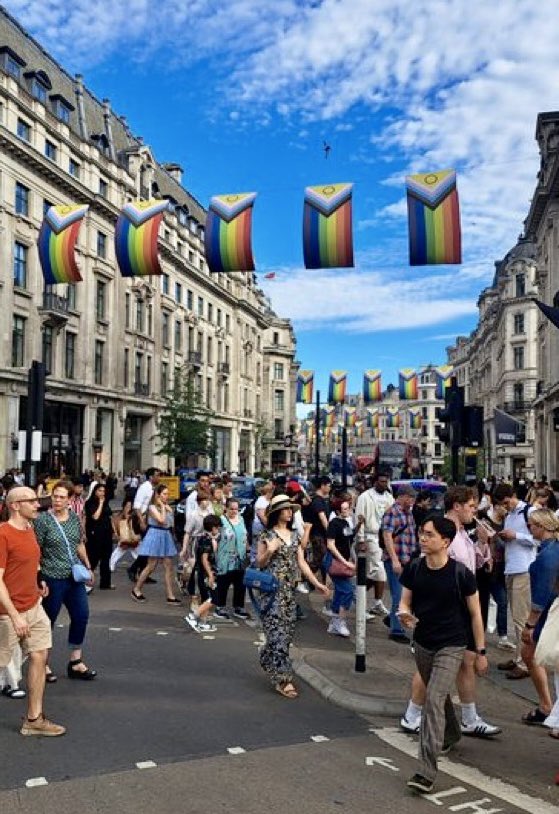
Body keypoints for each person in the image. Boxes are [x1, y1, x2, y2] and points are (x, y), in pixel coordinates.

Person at [400, 487, 500, 738]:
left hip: (463, 608)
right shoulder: (444, 536)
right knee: (430, 666)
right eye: (470, 506)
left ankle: (468, 717)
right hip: (444, 610)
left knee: (466, 662)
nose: (473, 511)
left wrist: (483, 543)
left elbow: (475, 565)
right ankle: (413, 715)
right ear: (457, 506)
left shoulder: (464, 535)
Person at [399, 515, 487, 794]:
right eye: (422, 533)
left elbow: (475, 615)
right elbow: (404, 601)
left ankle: (425, 772)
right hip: (423, 643)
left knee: (433, 699)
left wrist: (481, 651)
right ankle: (451, 732)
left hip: (453, 644)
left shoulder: (461, 574)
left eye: (429, 534)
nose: (423, 538)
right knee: (439, 696)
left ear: (445, 542)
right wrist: (404, 614)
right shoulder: (414, 568)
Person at [0, 487, 65, 736]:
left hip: (33, 606)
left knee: (40, 655)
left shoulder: (30, 530)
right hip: (8, 612)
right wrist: (14, 615)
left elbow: (31, 561)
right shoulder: (3, 534)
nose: (38, 505)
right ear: (16, 505)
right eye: (33, 501)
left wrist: (39, 581)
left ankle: (34, 719)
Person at [256, 494, 329, 697]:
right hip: (271, 592)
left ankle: (266, 655)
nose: (290, 512)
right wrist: (270, 551)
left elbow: (302, 563)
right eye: (287, 509)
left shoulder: (295, 535)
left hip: (288, 591)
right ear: (278, 512)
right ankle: (283, 679)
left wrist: (317, 583)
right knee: (277, 634)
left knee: (285, 633)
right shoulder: (266, 535)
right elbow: (259, 563)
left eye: (291, 509)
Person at [34, 481, 96, 681]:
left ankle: (75, 661)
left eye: (62, 497)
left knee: (81, 615)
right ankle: (43, 663)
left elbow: (78, 544)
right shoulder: (43, 520)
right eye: (55, 496)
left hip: (74, 577)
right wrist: (39, 576)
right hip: (52, 577)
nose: (57, 500)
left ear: (70, 500)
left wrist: (88, 566)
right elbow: (36, 550)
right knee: (48, 621)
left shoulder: (75, 519)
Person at [493, 482, 537, 678]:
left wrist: (516, 535)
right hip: (511, 567)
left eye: (506, 502)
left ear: (512, 496)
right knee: (516, 616)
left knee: (521, 618)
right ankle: (520, 655)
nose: (505, 506)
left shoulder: (530, 511)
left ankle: (525, 663)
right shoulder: (509, 515)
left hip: (524, 568)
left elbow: (541, 538)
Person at [519, 509, 559, 725]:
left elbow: (542, 595)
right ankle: (547, 707)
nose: (528, 528)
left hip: (550, 613)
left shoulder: (549, 555)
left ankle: (548, 708)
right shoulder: (550, 549)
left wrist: (530, 624)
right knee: (533, 654)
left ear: (541, 527)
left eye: (531, 525)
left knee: (538, 655)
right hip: (551, 611)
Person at [381, 484, 418, 642]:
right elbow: (387, 536)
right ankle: (396, 630)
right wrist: (394, 559)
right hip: (395, 560)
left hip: (406, 559)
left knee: (404, 594)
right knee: (398, 595)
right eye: (410, 497)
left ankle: (392, 619)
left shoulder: (408, 513)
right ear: (402, 496)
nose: (412, 500)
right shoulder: (392, 512)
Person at [132, 485, 179, 604]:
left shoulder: (168, 507)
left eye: (167, 494)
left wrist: (166, 508)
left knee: (168, 566)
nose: (166, 496)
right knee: (151, 565)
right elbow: (161, 520)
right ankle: (136, 589)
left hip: (165, 535)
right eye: (164, 494)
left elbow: (170, 523)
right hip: (155, 534)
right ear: (157, 495)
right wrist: (163, 507)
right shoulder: (152, 507)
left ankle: (170, 595)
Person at [355, 471, 394, 618]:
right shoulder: (365, 497)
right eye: (381, 481)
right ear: (375, 482)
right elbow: (360, 519)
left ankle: (371, 600)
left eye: (386, 481)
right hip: (370, 536)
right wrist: (361, 539)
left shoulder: (389, 497)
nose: (384, 484)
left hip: (384, 537)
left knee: (374, 571)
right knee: (379, 571)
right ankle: (362, 596)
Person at [325, 496, 360, 637]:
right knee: (347, 591)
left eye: (348, 508)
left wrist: (359, 525)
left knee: (341, 591)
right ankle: (339, 621)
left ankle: (335, 621)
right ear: (338, 510)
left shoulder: (345, 523)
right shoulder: (334, 523)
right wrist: (345, 562)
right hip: (334, 561)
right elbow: (330, 544)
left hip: (341, 561)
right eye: (345, 509)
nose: (348, 511)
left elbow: (349, 537)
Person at [183, 514, 220, 633]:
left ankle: (203, 623)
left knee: (206, 598)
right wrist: (210, 575)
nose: (218, 530)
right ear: (213, 527)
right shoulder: (207, 541)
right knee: (213, 598)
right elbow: (205, 559)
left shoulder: (200, 538)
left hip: (200, 571)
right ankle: (194, 616)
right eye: (217, 527)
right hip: (205, 573)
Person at [214, 498, 249, 619]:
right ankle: (220, 607)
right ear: (226, 508)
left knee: (240, 584)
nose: (234, 511)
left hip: (241, 557)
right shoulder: (221, 521)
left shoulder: (241, 519)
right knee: (223, 583)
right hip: (225, 558)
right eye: (231, 509)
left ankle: (238, 607)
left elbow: (244, 536)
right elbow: (214, 537)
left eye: (236, 509)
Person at [128, 467, 160, 582]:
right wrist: (141, 521)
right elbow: (137, 506)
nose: (159, 477)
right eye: (157, 475)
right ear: (151, 477)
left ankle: (143, 573)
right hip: (142, 519)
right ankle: (134, 569)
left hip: (149, 519)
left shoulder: (153, 488)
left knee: (149, 548)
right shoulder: (144, 487)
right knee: (148, 548)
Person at [84, 483, 114, 591]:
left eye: (103, 491)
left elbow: (109, 516)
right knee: (93, 558)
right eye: (100, 491)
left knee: (106, 558)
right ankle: (86, 581)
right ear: (95, 491)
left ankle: (105, 583)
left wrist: (114, 531)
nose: (102, 493)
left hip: (106, 533)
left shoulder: (106, 503)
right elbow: (95, 517)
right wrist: (100, 503)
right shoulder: (89, 503)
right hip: (95, 534)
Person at [307, 476, 332, 575]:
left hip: (321, 534)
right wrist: (330, 533)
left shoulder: (322, 500)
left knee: (322, 558)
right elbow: (322, 518)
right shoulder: (317, 501)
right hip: (317, 535)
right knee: (319, 558)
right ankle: (306, 578)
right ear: (322, 486)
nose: (330, 488)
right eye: (329, 486)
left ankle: (321, 581)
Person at [109, 497, 140, 573]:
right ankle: (111, 565)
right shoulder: (121, 516)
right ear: (124, 507)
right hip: (126, 537)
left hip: (131, 537)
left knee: (136, 551)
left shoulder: (133, 514)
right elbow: (116, 523)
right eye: (127, 506)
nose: (129, 508)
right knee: (120, 551)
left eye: (130, 506)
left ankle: (141, 565)